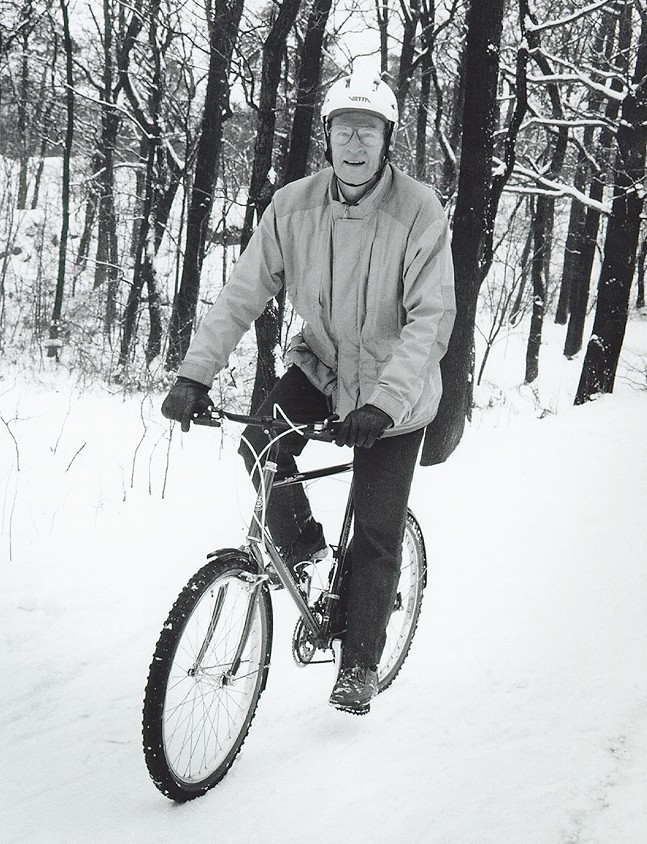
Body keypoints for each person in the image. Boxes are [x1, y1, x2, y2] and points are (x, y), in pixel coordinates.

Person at [162, 70, 456, 715]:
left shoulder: (419, 210)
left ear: (387, 139)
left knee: (374, 528)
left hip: (395, 391)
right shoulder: (293, 206)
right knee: (259, 446)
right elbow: (242, 294)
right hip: (322, 365)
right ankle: (301, 551)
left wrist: (384, 404)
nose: (356, 142)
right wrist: (193, 374)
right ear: (327, 135)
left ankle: (359, 661)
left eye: (369, 130)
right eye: (345, 129)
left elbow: (429, 322)